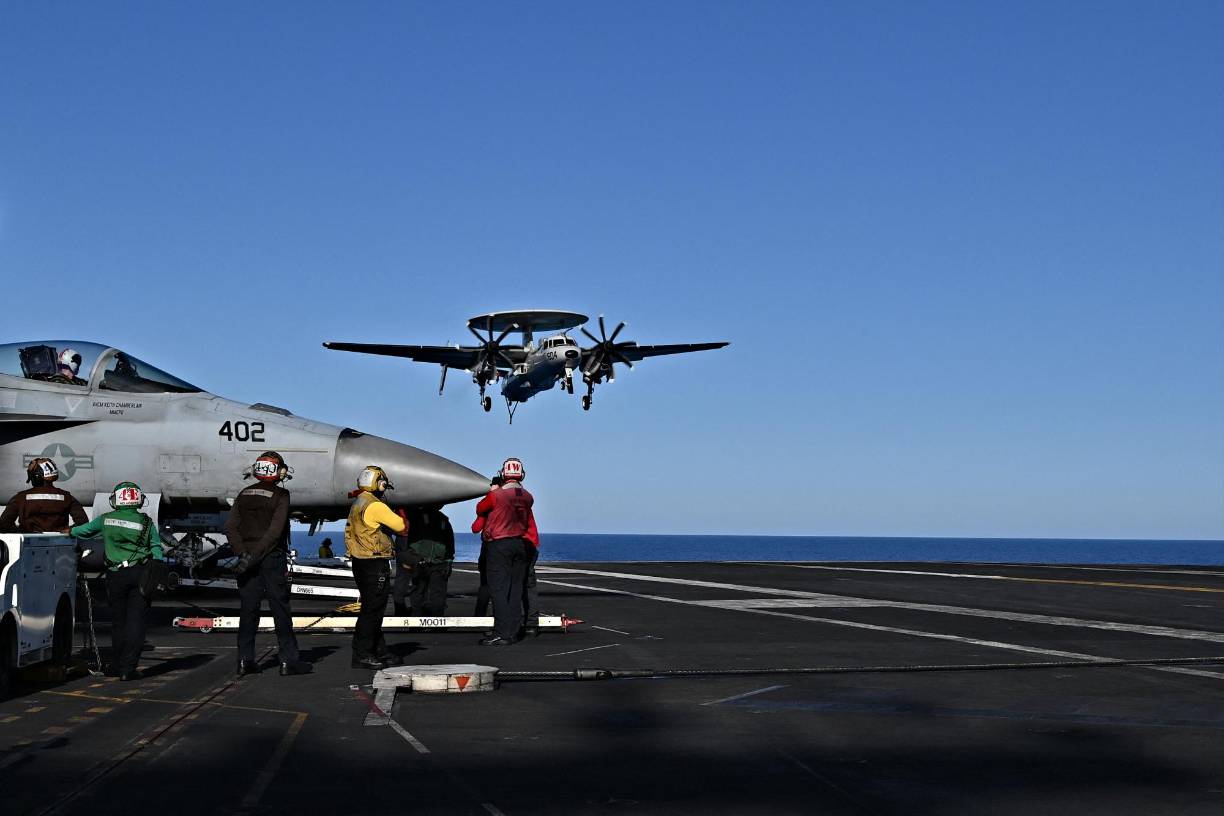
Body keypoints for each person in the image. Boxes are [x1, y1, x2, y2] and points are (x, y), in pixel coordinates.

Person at [225, 452, 310, 677]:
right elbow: (275, 531)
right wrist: (255, 555)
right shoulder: (282, 494)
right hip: (271, 557)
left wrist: (243, 554)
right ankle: (287, 661)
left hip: (246, 558)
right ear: (278, 471)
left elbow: (231, 527)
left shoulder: (244, 493)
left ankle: (245, 660)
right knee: (280, 608)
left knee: (248, 610)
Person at [68, 482, 164, 681]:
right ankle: (129, 668)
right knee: (136, 622)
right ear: (138, 499)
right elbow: (156, 549)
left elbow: (81, 531)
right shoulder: (146, 522)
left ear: (117, 500)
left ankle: (118, 664)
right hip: (140, 574)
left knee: (118, 622)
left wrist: (65, 531)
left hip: (115, 575)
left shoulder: (106, 519)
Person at [344, 465, 407, 669]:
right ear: (379, 483)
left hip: (359, 561)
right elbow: (401, 526)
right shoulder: (375, 505)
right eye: (384, 484)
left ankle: (378, 650)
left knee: (371, 608)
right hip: (374, 562)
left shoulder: (358, 502)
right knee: (372, 611)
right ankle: (362, 654)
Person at [473, 458, 536, 646]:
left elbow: (480, 508)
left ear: (503, 474)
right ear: (521, 475)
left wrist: (492, 491)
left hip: (499, 545)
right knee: (516, 590)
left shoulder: (496, 495)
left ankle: (501, 632)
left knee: (499, 590)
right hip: (520, 544)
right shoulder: (528, 496)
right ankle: (514, 632)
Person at [0, 458, 89, 534]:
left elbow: (3, 525)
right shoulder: (67, 497)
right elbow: (83, 522)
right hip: (62, 547)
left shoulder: (20, 498)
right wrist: (68, 531)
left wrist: (21, 531)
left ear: (36, 477)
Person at [401, 505, 454, 616]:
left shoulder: (416, 517)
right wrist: (449, 561)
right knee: (435, 594)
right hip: (436, 561)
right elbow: (450, 543)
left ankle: (417, 621)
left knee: (418, 592)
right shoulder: (443, 520)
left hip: (423, 560)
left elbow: (449, 543)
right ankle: (436, 621)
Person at [471, 475, 501, 616]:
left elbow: (476, 528)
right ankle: (499, 615)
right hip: (504, 548)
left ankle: (479, 615)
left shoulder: (487, 504)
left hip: (488, 548)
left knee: (485, 585)